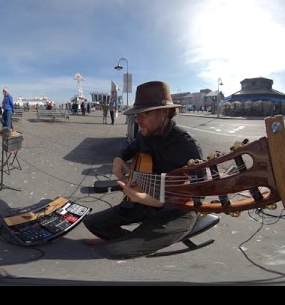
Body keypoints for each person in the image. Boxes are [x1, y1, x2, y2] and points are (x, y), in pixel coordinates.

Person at [83, 81, 204, 259]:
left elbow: (199, 192)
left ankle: (125, 243)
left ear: (164, 112)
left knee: (114, 252)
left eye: (144, 114)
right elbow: (130, 148)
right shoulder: (145, 134)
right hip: (142, 200)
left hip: (174, 211)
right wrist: (118, 158)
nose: (138, 120)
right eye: (137, 115)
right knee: (91, 222)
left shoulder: (185, 143)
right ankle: (128, 240)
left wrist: (157, 201)